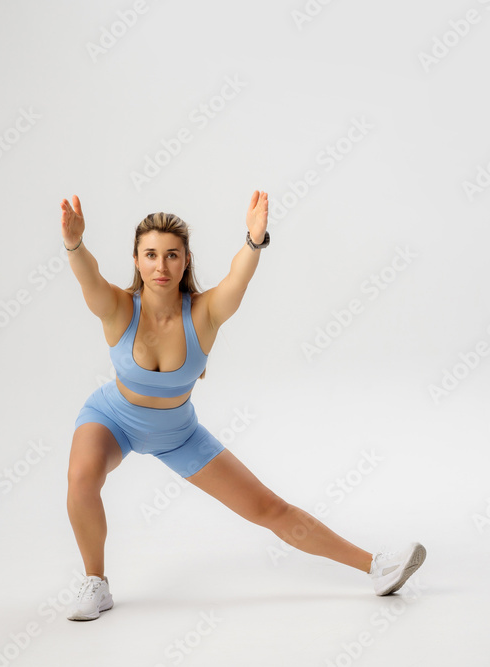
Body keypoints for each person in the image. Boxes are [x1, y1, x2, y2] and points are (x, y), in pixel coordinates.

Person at [60, 191, 425, 621]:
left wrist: (254, 241)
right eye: (151, 255)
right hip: (112, 418)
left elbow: (237, 279)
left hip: (178, 434)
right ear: (137, 260)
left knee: (270, 509)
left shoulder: (204, 313)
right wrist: (75, 244)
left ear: (186, 261)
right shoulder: (118, 309)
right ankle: (96, 582)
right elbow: (89, 277)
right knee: (81, 479)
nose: (161, 266)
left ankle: (377, 567)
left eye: (172, 255)